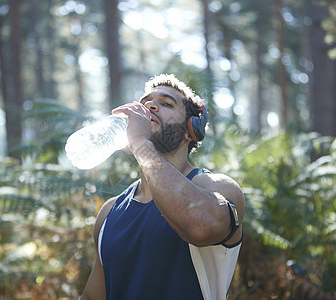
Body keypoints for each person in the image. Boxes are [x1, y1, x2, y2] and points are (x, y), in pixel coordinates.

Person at [80, 74, 244, 300]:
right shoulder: (109, 213)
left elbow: (201, 227)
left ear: (191, 130)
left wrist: (140, 144)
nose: (150, 107)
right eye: (145, 103)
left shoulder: (215, 187)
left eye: (166, 104)